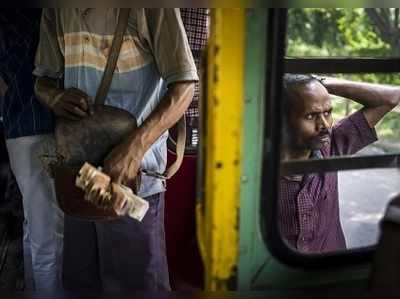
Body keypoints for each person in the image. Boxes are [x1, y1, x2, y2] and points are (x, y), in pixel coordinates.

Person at [34, 9, 197, 291]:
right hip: (79, 179)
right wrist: (54, 95)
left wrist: (134, 149)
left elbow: (184, 86)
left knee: (136, 288)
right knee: (80, 285)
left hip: (132, 182)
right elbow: (42, 79)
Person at [279, 74, 400, 253]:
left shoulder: (332, 145)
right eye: (311, 116)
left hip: (332, 271)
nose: (325, 125)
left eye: (327, 113)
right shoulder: (256, 170)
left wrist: (321, 84)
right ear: (282, 121)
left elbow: (391, 97)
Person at [0, 9, 64, 290]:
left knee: (35, 228)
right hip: (41, 128)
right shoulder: (37, 15)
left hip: (16, 127)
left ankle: (33, 289)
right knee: (50, 234)